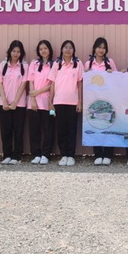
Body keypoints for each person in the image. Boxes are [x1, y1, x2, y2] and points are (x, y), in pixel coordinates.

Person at [0, 40, 28, 165]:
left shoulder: (24, 66)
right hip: (5, 103)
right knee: (5, 130)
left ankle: (17, 156)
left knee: (18, 130)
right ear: (9, 51)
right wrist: (4, 101)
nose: (16, 53)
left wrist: (15, 102)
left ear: (21, 53)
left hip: (19, 103)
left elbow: (23, 85)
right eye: (14, 51)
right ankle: (6, 154)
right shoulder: (3, 65)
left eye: (18, 51)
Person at [49, 40, 83, 166]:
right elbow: (52, 83)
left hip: (73, 102)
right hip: (59, 102)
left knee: (72, 130)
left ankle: (71, 155)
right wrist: (50, 101)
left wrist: (80, 101)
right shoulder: (56, 64)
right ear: (62, 50)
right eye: (65, 47)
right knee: (61, 130)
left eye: (70, 48)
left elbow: (80, 83)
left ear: (74, 50)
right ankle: (64, 154)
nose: (68, 50)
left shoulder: (78, 63)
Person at [85, 37, 116, 166]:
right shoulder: (88, 64)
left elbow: (116, 80)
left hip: (108, 100)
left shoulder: (110, 62)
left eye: (103, 48)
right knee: (95, 126)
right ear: (94, 48)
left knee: (108, 126)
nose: (101, 50)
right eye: (99, 47)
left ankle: (108, 154)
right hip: (93, 101)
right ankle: (98, 154)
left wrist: (111, 73)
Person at [27, 40, 55, 166]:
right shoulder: (34, 63)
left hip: (47, 101)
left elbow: (52, 84)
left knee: (48, 130)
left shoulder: (54, 64)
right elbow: (31, 80)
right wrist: (33, 98)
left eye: (45, 48)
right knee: (34, 130)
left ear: (49, 50)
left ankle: (45, 154)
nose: (43, 51)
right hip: (33, 102)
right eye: (41, 49)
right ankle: (36, 154)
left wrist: (37, 92)